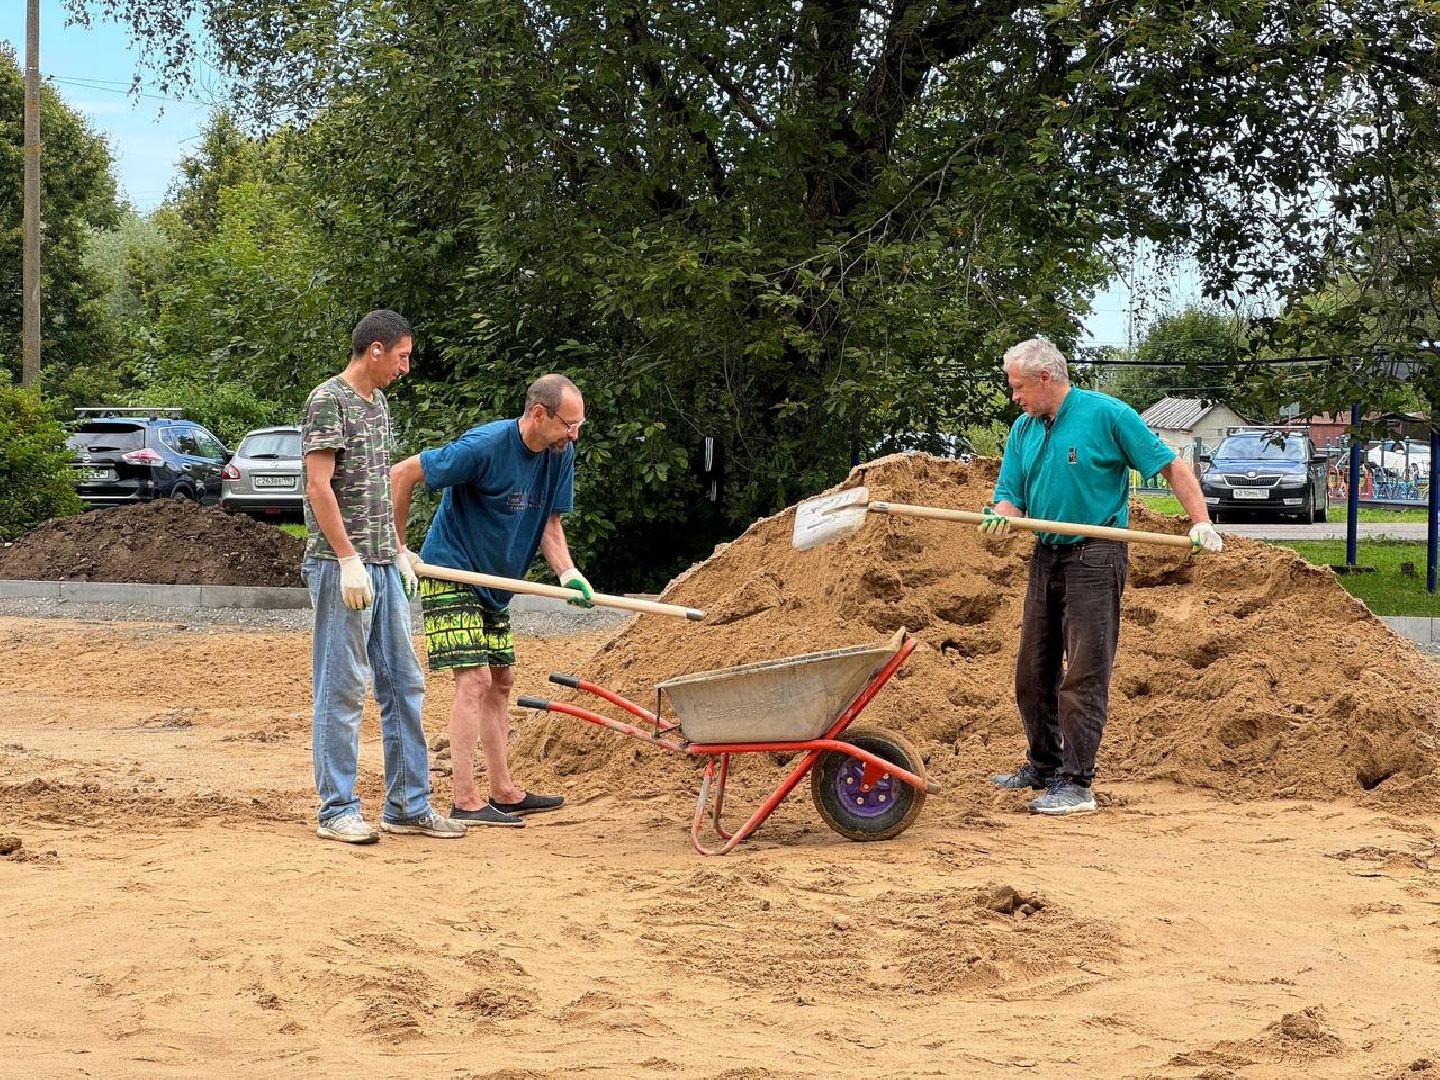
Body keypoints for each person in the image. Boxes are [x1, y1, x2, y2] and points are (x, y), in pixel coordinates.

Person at [981, 338, 1222, 816]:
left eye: (1019, 387)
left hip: (1096, 555)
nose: (1014, 397)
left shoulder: (1107, 415)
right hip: (1046, 554)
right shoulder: (1023, 430)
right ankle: (1044, 766)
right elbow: (1010, 497)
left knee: (1084, 672)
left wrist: (1200, 522)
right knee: (1033, 671)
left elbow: (1172, 467)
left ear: (1045, 378)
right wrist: (1000, 518)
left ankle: (1077, 783)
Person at [390, 374, 591, 827]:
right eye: (569, 424)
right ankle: (465, 799)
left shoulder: (559, 454)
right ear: (538, 414)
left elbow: (549, 524)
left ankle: (504, 792)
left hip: (495, 583)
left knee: (501, 681)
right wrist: (397, 550)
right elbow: (402, 473)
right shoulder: (484, 446)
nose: (574, 434)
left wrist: (568, 572)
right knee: (475, 680)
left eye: (579, 425)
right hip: (451, 572)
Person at [301, 309, 466, 844]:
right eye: (402, 356)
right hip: (340, 567)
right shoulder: (328, 400)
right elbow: (319, 487)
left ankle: (407, 804)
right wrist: (347, 558)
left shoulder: (379, 404)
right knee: (343, 687)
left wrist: (396, 549)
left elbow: (374, 487)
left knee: (403, 682)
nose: (405, 367)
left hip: (379, 563)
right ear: (375, 349)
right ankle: (336, 810)